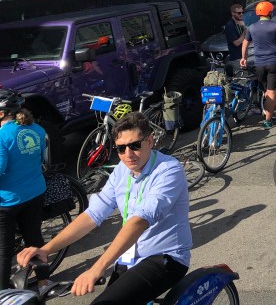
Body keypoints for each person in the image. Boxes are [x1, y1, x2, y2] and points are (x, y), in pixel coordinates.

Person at [18, 112, 191, 305]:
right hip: (129, 255)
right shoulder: (121, 170)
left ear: (150, 140)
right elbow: (93, 214)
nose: (128, 154)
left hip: (163, 257)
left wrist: (97, 267)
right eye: (121, 148)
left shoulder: (169, 170)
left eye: (135, 145)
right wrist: (46, 250)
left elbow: (139, 221)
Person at [1, 90, 46, 290]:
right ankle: (44, 282)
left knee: (3, 250)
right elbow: (42, 159)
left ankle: (3, 294)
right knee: (34, 238)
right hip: (35, 192)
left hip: (8, 200)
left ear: (1, 113)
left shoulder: (2, 134)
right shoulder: (37, 129)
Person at [240, 1, 276, 129]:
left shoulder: (251, 27)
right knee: (270, 92)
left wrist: (244, 58)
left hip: (259, 65)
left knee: (267, 91)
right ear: (270, 12)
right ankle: (268, 120)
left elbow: (245, 44)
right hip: (274, 63)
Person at [224, 3, 246, 69]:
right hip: (237, 58)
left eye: (242, 12)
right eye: (239, 13)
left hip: (245, 56)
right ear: (233, 13)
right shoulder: (230, 25)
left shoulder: (241, 23)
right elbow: (236, 43)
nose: (241, 14)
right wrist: (245, 32)